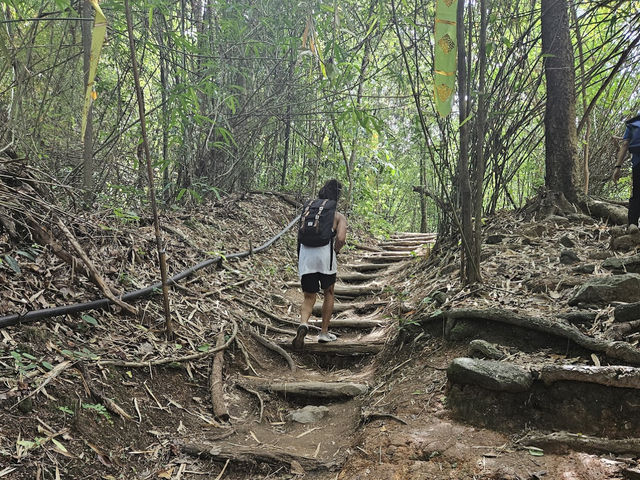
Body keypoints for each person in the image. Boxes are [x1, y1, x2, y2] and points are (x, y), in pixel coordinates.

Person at [292, 179, 347, 349]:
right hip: (325, 257)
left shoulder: (309, 212)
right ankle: (323, 332)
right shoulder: (338, 216)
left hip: (306, 257)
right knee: (328, 292)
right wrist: (336, 251)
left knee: (309, 296)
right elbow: (341, 239)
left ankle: (303, 324)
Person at [613, 113, 640, 231]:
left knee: (637, 194)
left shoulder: (632, 124)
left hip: (638, 163)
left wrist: (617, 167)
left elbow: (624, 144)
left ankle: (632, 225)